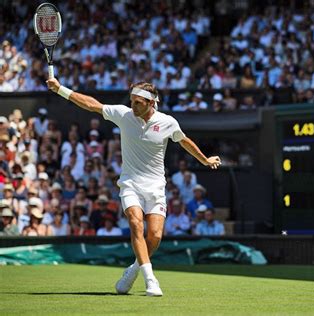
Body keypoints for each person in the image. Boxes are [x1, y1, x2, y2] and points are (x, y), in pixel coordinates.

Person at [46, 77, 221, 297]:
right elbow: (91, 104)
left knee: (155, 236)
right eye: (132, 101)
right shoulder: (123, 114)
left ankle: (133, 271)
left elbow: (183, 141)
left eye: (138, 102)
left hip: (156, 186)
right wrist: (60, 89)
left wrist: (204, 160)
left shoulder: (168, 122)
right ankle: (151, 280)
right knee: (136, 225)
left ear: (151, 103)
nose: (133, 105)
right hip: (130, 183)